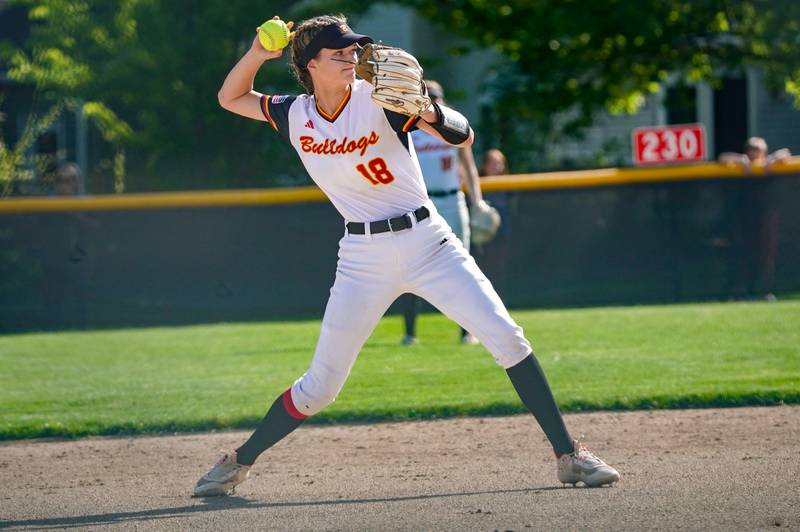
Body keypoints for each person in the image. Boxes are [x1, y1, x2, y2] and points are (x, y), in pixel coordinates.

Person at [194, 13, 619, 497]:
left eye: (355, 50)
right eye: (341, 52)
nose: (353, 58)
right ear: (311, 63)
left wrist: (429, 110)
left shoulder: (383, 100)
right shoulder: (294, 113)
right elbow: (230, 97)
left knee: (508, 339)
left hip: (428, 242)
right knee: (320, 387)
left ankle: (570, 456)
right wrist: (256, 55)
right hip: (361, 256)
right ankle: (238, 462)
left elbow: (463, 136)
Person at [400, 80, 485, 346]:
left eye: (435, 96)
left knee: (462, 266)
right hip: (421, 204)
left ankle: (466, 331)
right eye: (427, 95)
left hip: (451, 200)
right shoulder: (409, 129)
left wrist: (478, 201)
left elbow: (469, 167)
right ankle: (410, 333)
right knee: (411, 267)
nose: (431, 99)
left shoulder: (452, 125)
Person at [719, 137, 791, 300]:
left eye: (759, 150)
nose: (755, 154)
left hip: (765, 219)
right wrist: (741, 160)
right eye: (752, 150)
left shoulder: (769, 163)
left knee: (766, 256)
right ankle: (739, 292)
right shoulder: (740, 164)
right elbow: (723, 157)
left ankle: (766, 291)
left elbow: (785, 153)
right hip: (743, 218)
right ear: (747, 152)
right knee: (741, 254)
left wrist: (771, 160)